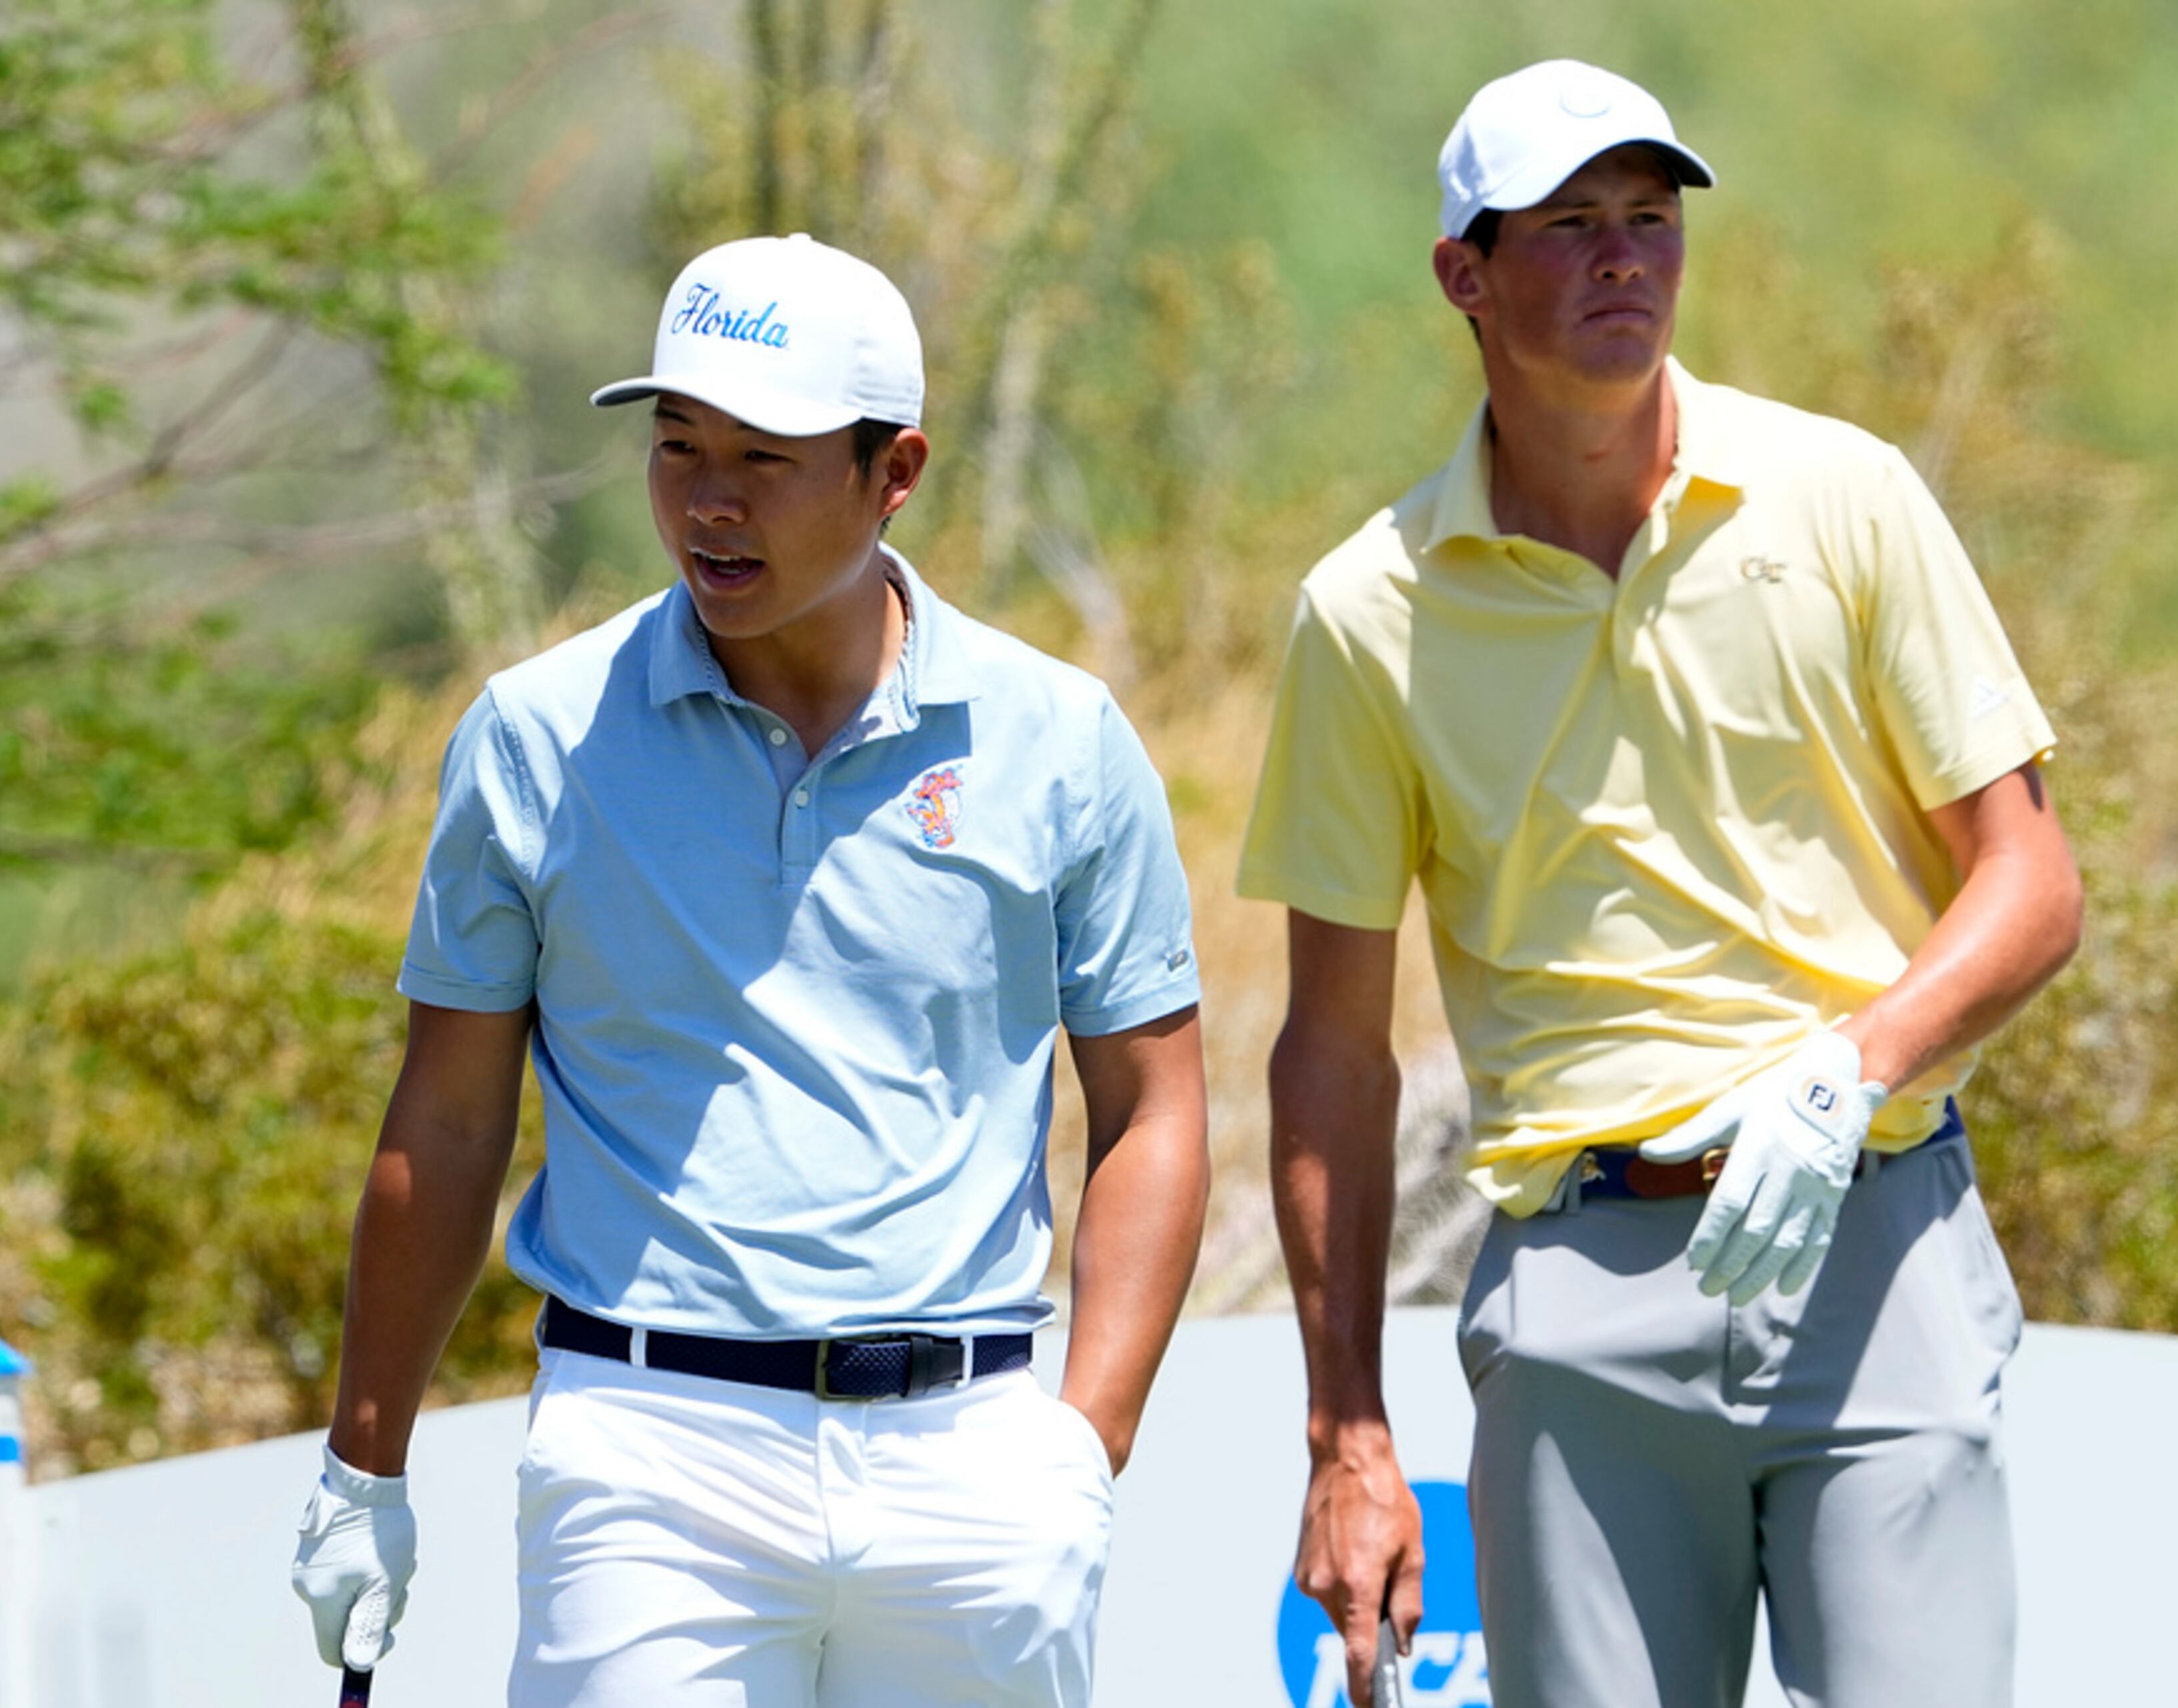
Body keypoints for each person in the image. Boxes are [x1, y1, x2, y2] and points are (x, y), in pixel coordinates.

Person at [1239, 59, 2082, 1708]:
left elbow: (2032, 878)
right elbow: (1332, 1048)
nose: (1626, 256)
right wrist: (1348, 1431)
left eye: (1649, 218)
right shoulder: (1369, 611)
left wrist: (1855, 1069)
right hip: (1578, 1290)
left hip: (1874, 1245)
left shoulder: (1842, 498)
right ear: (1463, 277)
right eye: (1571, 227)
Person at [290, 233, 1209, 1707]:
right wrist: (364, 1467)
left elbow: (1154, 1107)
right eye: (676, 449)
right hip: (651, 1456)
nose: (707, 502)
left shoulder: (1062, 737)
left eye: (764, 459)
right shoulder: (536, 737)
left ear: (894, 472)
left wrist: (1078, 1445)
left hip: (972, 1464)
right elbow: (448, 1122)